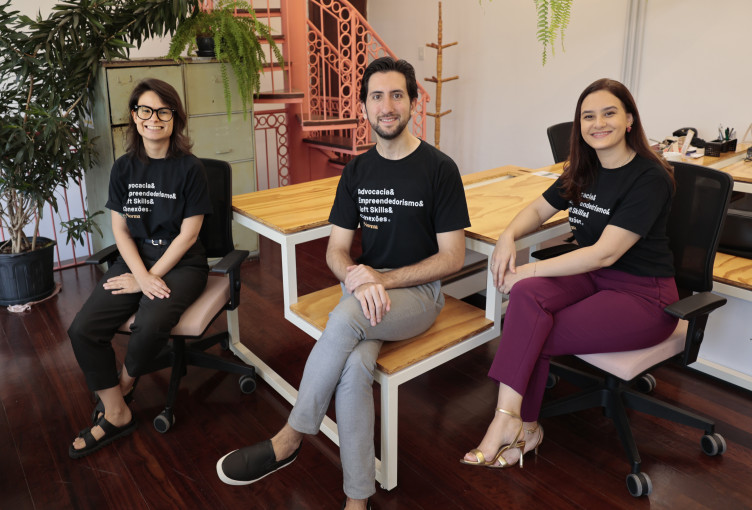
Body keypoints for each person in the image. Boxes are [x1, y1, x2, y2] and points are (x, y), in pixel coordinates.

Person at [216, 57, 471, 510]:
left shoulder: (439, 169)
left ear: (413, 101)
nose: (387, 106)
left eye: (397, 95)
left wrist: (381, 279)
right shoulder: (357, 170)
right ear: (365, 107)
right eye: (377, 96)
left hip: (418, 295)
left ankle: (290, 437)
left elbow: (452, 257)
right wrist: (356, 276)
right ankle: (358, 499)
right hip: (365, 292)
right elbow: (336, 250)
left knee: (348, 315)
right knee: (353, 371)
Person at [461, 78, 679, 469]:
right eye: (588, 116)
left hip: (644, 295)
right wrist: (508, 235)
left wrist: (529, 269)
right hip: (595, 280)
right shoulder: (585, 168)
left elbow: (603, 255)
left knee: (533, 329)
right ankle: (512, 422)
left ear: (629, 119)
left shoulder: (650, 178)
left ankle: (517, 425)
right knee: (527, 301)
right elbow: (537, 210)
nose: (598, 123)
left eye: (609, 113)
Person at [68, 78, 212, 459]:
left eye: (163, 111)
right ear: (134, 116)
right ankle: (117, 412)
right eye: (145, 110)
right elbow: (120, 229)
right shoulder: (124, 168)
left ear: (175, 118)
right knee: (83, 329)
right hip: (135, 258)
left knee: (149, 321)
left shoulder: (190, 169)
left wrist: (150, 279)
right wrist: (139, 274)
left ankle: (125, 384)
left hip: (181, 263)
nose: (154, 118)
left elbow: (189, 234)